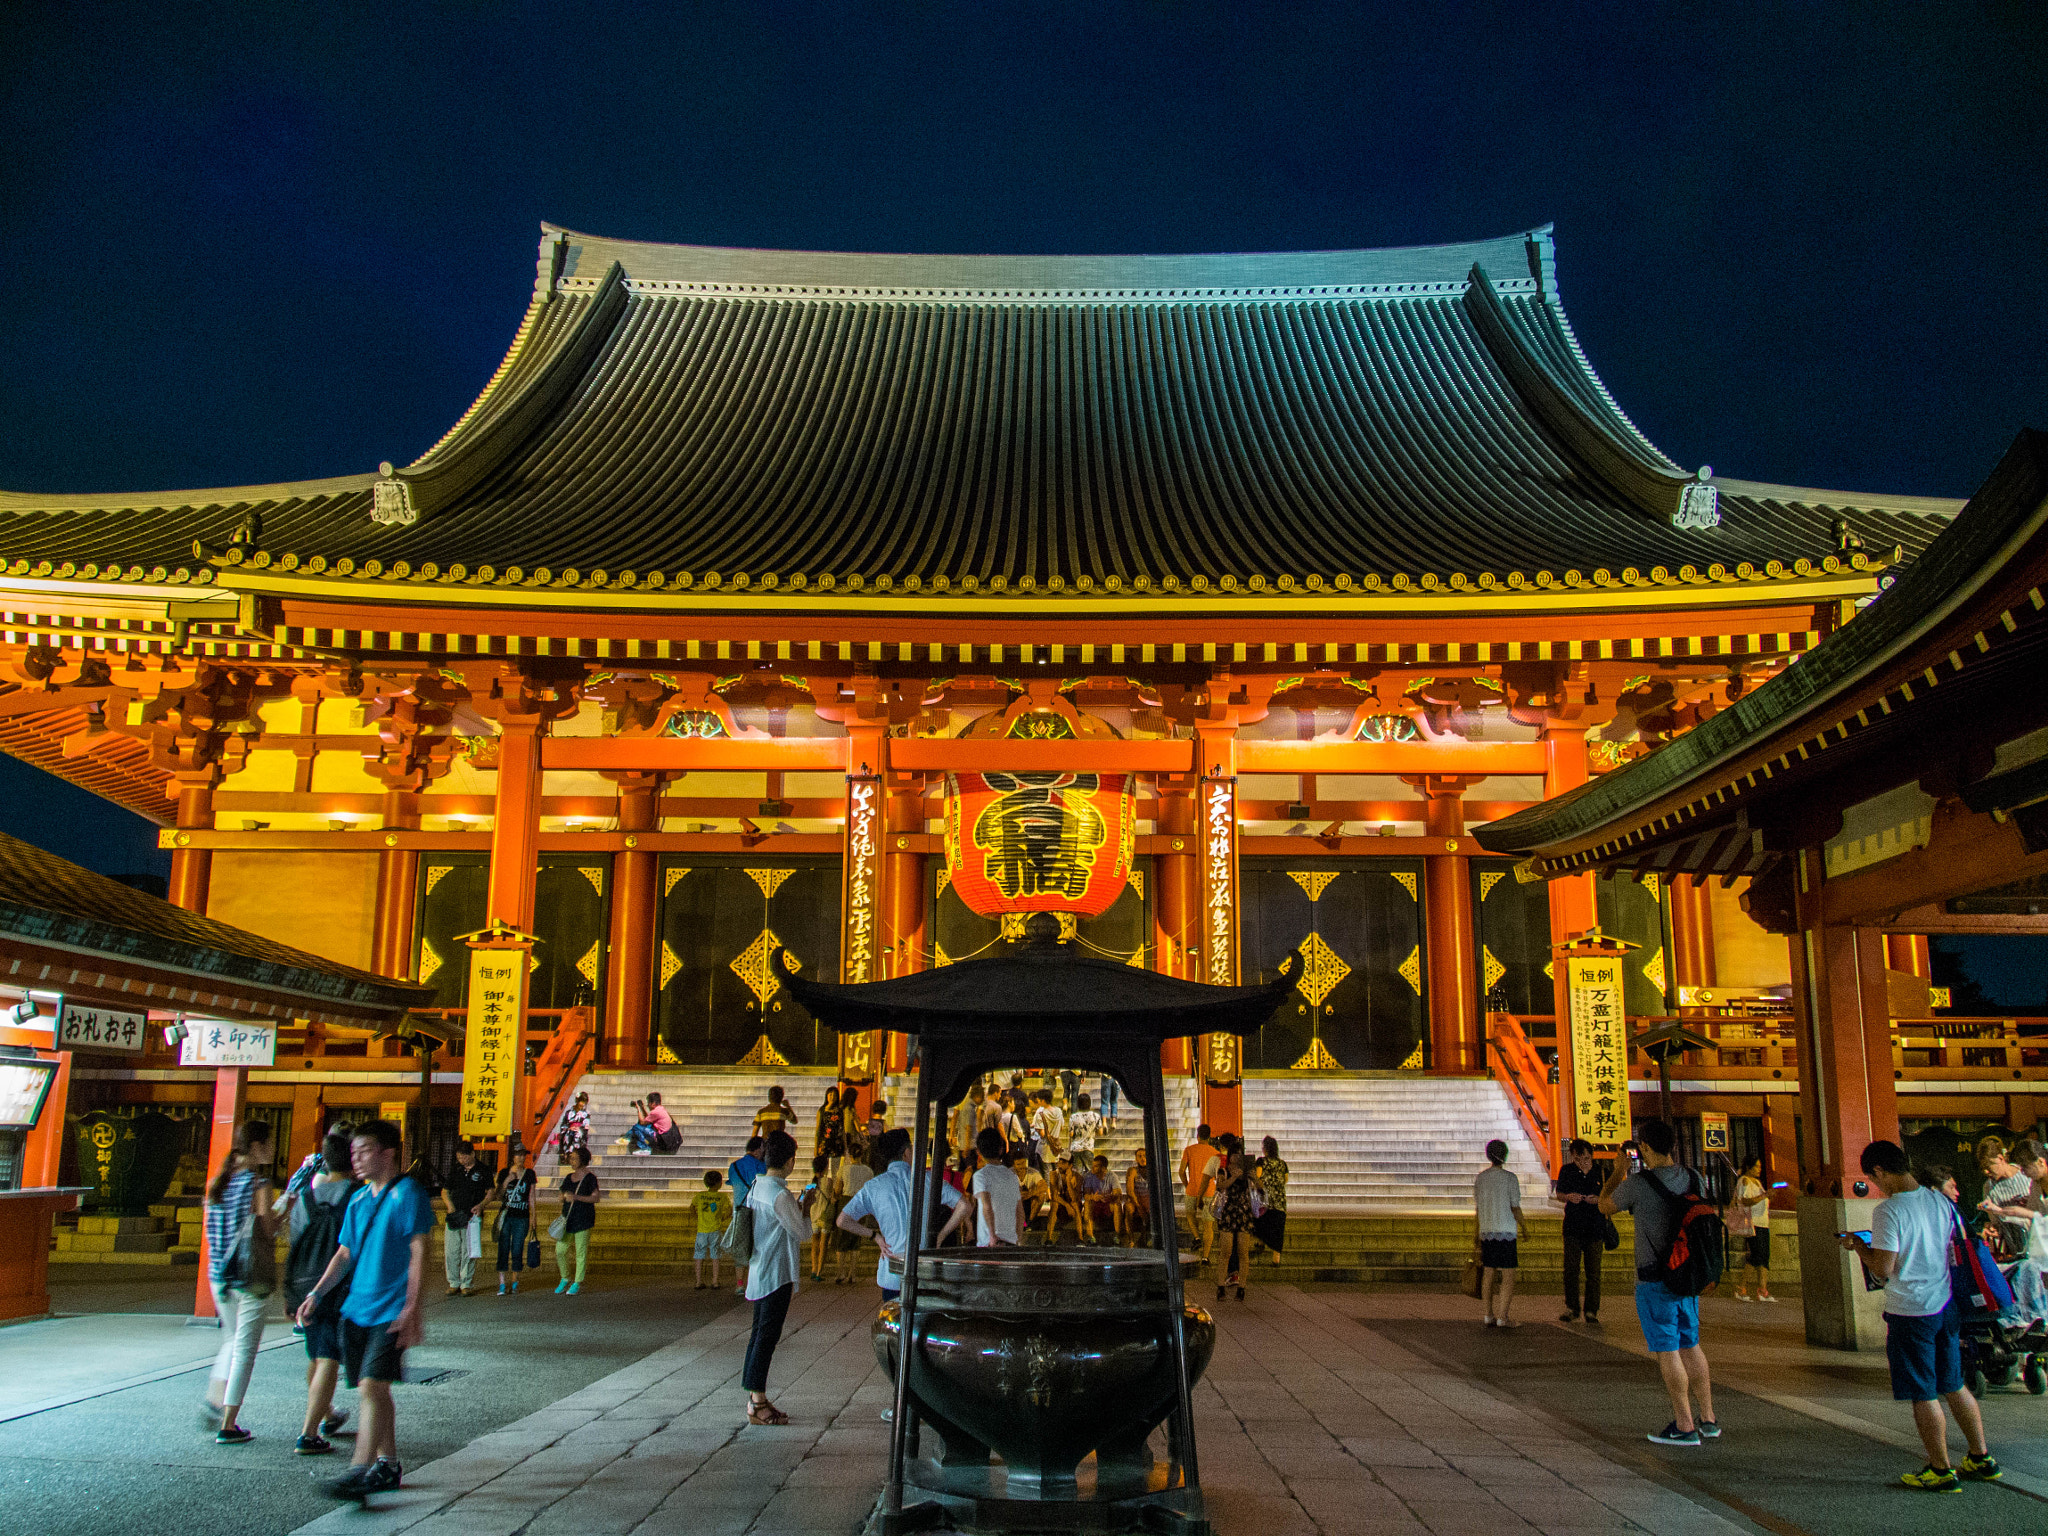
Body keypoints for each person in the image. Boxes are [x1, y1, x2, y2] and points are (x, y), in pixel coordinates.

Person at [1841, 1139, 2001, 1492]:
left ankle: (1940, 1469)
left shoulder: (1889, 1211)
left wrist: (1859, 1247)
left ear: (1880, 1171)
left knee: (1923, 1392)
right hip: (1945, 1304)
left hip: (1910, 1311)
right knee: (1954, 1384)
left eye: (1873, 1177)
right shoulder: (1938, 1199)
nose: (1876, 1185)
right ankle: (1981, 1456)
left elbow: (1884, 1269)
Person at [295, 1119, 435, 1499]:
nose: (355, 1159)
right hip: (356, 1308)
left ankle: (359, 1470)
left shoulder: (408, 1194)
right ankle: (388, 1464)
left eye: (364, 1151)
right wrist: (318, 1293)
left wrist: (412, 1308)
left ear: (388, 1152)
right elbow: (344, 1253)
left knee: (372, 1386)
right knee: (375, 1390)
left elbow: (420, 1251)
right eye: (353, 1152)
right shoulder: (358, 1199)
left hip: (390, 1310)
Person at [1599, 1119, 1717, 1445]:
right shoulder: (1695, 1178)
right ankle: (1708, 1418)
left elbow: (1603, 1205)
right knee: (1691, 1345)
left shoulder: (1638, 1184)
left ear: (1646, 1148)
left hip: (1654, 1280)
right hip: (1688, 1276)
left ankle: (1684, 1424)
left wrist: (1617, 1171)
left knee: (1668, 1351)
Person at [201, 1118, 277, 1444]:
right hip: (248, 1277)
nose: (273, 1149)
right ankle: (228, 1424)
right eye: (270, 1143)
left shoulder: (218, 1181)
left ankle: (214, 1398)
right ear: (257, 1146)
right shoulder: (258, 1184)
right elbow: (268, 1230)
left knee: (232, 1340)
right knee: (245, 1349)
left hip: (219, 1276)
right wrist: (282, 1210)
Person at [839, 1128, 970, 1302]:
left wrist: (875, 1236)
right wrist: (941, 1235)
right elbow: (965, 1206)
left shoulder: (874, 1186)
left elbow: (843, 1220)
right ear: (906, 1153)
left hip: (891, 1272)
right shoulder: (928, 1179)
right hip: (923, 1271)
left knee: (894, 1323)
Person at [287, 1127, 357, 1454]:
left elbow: (295, 1242)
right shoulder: (357, 1195)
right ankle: (308, 1433)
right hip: (338, 1286)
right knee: (329, 1356)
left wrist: (292, 1293)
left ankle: (326, 1413)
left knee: (316, 1353)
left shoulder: (306, 1196)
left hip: (304, 1285)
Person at [740, 1129, 810, 1426]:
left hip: (759, 1268)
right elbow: (803, 1233)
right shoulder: (780, 1194)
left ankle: (757, 1397)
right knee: (766, 1337)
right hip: (776, 1272)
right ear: (790, 1161)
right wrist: (807, 1205)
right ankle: (756, 1401)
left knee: (759, 1334)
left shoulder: (758, 1185)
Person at [1471, 1139, 1525, 1328]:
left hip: (1487, 1231)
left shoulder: (1481, 1178)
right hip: (1507, 1231)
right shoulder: (1510, 1178)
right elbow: (1515, 1207)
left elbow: (1478, 1209)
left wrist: (1476, 1233)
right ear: (1505, 1156)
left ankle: (1488, 1314)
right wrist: (1524, 1227)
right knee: (1508, 1275)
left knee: (1488, 1273)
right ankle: (1503, 1316)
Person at [1554, 1138, 1606, 1323]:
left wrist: (1598, 1199)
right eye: (1577, 1159)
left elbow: (1609, 1196)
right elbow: (1559, 1194)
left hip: (1595, 1226)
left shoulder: (1601, 1172)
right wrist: (1568, 1197)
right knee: (1571, 1269)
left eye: (1584, 1157)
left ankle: (1591, 1310)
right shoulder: (1567, 1171)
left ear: (1590, 1155)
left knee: (1594, 1271)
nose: (1581, 1162)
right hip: (1573, 1226)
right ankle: (1572, 1307)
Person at [439, 1140, 492, 1296]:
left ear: (472, 1154)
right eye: (459, 1157)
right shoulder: (456, 1170)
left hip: (473, 1216)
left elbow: (490, 1192)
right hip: (455, 1216)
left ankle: (466, 1284)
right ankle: (453, 1282)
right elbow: (445, 1191)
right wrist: (450, 1206)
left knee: (468, 1251)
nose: (461, 1160)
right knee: (451, 1250)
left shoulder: (483, 1170)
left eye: (464, 1157)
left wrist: (481, 1205)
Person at [1214, 1136, 1256, 1301]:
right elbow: (1220, 1186)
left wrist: (1255, 1178)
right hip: (1228, 1213)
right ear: (1230, 1155)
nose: (1237, 1158)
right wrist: (1233, 1177)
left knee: (1243, 1252)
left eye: (1240, 1155)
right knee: (1225, 1251)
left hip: (1243, 1213)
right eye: (1235, 1154)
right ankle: (1220, 1286)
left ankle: (1242, 1287)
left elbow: (1260, 1187)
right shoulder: (1223, 1170)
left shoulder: (1246, 1171)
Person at [554, 1146, 601, 1295]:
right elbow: (561, 1195)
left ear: (582, 1160)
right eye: (571, 1158)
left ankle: (577, 1281)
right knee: (560, 1250)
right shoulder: (569, 1177)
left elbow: (596, 1197)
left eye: (574, 1158)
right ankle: (565, 1277)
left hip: (583, 1218)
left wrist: (577, 1197)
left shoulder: (590, 1178)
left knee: (581, 1252)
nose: (571, 1160)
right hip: (568, 1218)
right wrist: (562, 1197)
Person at [1977, 1138, 2033, 1257]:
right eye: (1982, 1168)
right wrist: (1993, 1229)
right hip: (2016, 1249)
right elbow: (1996, 1224)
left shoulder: (2026, 1175)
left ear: (2000, 1159)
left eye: (1989, 1165)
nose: (1986, 1171)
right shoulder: (1989, 1187)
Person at [728, 1135, 768, 1296]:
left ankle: (739, 1283)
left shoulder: (734, 1165)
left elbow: (732, 1183)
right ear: (759, 1149)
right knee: (757, 1246)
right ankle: (754, 1281)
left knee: (741, 1247)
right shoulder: (761, 1166)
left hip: (739, 1210)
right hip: (757, 1210)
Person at [494, 1148, 537, 1296]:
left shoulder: (529, 1174)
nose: (521, 1158)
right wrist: (506, 1181)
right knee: (503, 1247)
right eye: (518, 1154)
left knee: (517, 1248)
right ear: (512, 1156)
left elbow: (531, 1196)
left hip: (522, 1216)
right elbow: (498, 1196)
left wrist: (533, 1216)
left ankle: (515, 1282)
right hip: (506, 1216)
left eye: (523, 1155)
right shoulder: (504, 1173)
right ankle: (501, 1283)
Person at [1731, 1156, 1774, 1303]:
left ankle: (1763, 1290)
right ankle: (1741, 1287)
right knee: (1756, 1256)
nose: (1759, 1170)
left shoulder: (1756, 1182)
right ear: (1749, 1167)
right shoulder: (1745, 1181)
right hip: (1753, 1223)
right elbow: (1745, 1200)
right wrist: (1764, 1196)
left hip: (1763, 1223)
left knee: (1764, 1257)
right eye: (1756, 1167)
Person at [972, 1127, 1024, 1246]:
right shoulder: (1012, 1176)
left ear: (978, 1151)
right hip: (1010, 1240)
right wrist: (1018, 1238)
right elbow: (1020, 1212)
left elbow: (987, 1206)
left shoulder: (980, 1175)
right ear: (1001, 1150)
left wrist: (992, 1236)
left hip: (989, 1242)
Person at [1179, 1125, 1220, 1263]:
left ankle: (1196, 1237)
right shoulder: (1215, 1153)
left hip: (1192, 1189)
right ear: (1209, 1137)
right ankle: (1205, 1256)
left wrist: (1187, 1184)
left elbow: (1181, 1171)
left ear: (1198, 1135)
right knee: (1208, 1226)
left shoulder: (1189, 1150)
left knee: (1190, 1214)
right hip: (1209, 1191)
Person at [693, 1169, 732, 1289]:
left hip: (701, 1230)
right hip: (715, 1229)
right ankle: (715, 1281)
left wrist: (698, 1218)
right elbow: (729, 1210)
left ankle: (698, 1281)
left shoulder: (700, 1196)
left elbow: (692, 1207)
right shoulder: (722, 1197)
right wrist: (723, 1218)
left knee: (699, 1255)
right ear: (720, 1183)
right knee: (715, 1255)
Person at [1253, 1136, 1289, 1264]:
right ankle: (1276, 1260)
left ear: (1265, 1149)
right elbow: (1285, 1179)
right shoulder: (1282, 1164)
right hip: (1280, 1202)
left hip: (1265, 1201)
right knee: (1278, 1230)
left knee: (1260, 1223)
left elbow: (1257, 1176)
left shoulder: (1261, 1162)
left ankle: (1260, 1242)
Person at [1081, 1154, 1122, 1243]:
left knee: (1117, 1204)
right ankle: (1091, 1236)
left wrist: (1110, 1196)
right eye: (1093, 1165)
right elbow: (1086, 1195)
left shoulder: (1112, 1176)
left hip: (1107, 1203)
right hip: (1095, 1203)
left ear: (1103, 1168)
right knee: (1087, 1203)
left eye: (1096, 1166)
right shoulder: (1089, 1176)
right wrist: (1093, 1197)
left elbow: (1118, 1192)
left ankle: (1117, 1236)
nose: (1093, 1168)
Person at [1065, 1093, 1102, 1173]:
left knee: (1077, 1174)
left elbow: (1071, 1134)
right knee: (1091, 1173)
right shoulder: (1095, 1116)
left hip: (1076, 1148)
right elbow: (1100, 1132)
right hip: (1088, 1147)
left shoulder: (1073, 1117)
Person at [555, 1091, 591, 1161]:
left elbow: (586, 1126)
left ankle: (577, 1156)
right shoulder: (569, 1112)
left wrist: (580, 1128)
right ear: (577, 1101)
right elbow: (563, 1125)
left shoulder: (586, 1114)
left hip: (580, 1132)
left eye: (584, 1102)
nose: (583, 1104)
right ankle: (568, 1154)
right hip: (569, 1131)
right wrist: (569, 1128)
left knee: (578, 1134)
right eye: (581, 1101)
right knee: (568, 1135)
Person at [1127, 1147, 1152, 1241]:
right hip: (1136, 1199)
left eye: (1145, 1156)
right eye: (1140, 1156)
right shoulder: (1132, 1171)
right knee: (1128, 1208)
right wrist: (1138, 1205)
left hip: (1148, 1199)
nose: (1143, 1158)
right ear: (1136, 1158)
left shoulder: (1152, 1170)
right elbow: (1130, 1191)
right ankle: (1131, 1239)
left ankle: (1146, 1235)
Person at [818, 1086, 846, 1168]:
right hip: (825, 1142)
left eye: (834, 1095)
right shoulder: (822, 1111)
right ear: (826, 1096)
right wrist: (816, 1146)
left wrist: (845, 1145)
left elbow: (842, 1129)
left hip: (837, 1142)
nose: (832, 1097)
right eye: (830, 1095)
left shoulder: (840, 1111)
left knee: (836, 1169)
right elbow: (818, 1129)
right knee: (823, 1169)